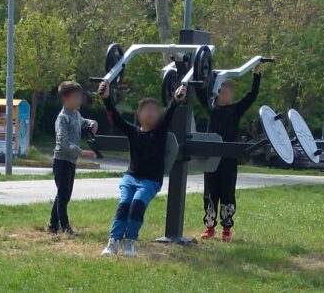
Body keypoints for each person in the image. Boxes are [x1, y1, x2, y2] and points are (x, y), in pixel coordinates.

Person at [100, 81, 187, 257]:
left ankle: (130, 240)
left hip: (151, 181)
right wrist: (106, 98)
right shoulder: (133, 131)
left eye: (155, 110)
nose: (151, 113)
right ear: (138, 114)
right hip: (131, 177)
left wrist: (177, 99)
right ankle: (114, 241)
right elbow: (115, 118)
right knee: (124, 205)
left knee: (137, 204)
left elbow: (170, 111)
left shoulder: (161, 130)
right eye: (147, 109)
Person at [200, 64, 261, 241]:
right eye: (225, 90)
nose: (228, 93)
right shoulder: (210, 108)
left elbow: (252, 95)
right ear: (218, 91)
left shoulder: (235, 110)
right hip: (211, 159)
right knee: (210, 194)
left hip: (228, 161)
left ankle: (226, 230)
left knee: (227, 193)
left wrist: (256, 75)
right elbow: (199, 90)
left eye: (230, 91)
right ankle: (209, 228)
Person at [47, 81, 98, 236]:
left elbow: (84, 122)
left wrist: (93, 123)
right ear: (66, 98)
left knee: (63, 193)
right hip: (61, 161)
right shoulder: (62, 118)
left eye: (80, 97)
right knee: (64, 194)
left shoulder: (76, 115)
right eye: (76, 97)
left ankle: (52, 225)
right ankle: (65, 226)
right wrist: (80, 151)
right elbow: (62, 140)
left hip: (70, 161)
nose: (79, 100)